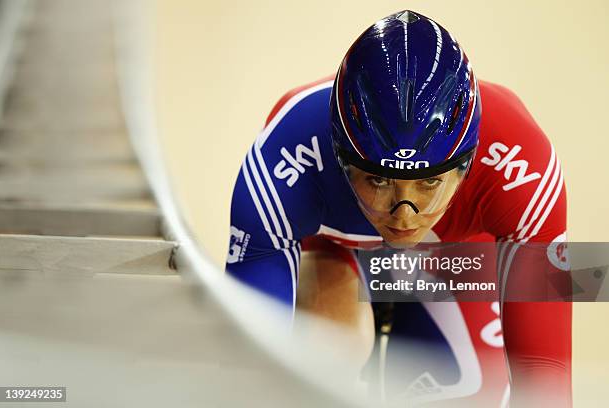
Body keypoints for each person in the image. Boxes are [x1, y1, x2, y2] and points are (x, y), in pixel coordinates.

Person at [226, 10, 571, 407]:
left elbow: (545, 375)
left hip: (455, 255)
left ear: (469, 166)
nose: (404, 214)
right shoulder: (285, 156)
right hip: (337, 249)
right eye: (378, 180)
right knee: (323, 362)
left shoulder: (523, 167)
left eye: (429, 183)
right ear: (339, 158)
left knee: (475, 393)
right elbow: (248, 367)